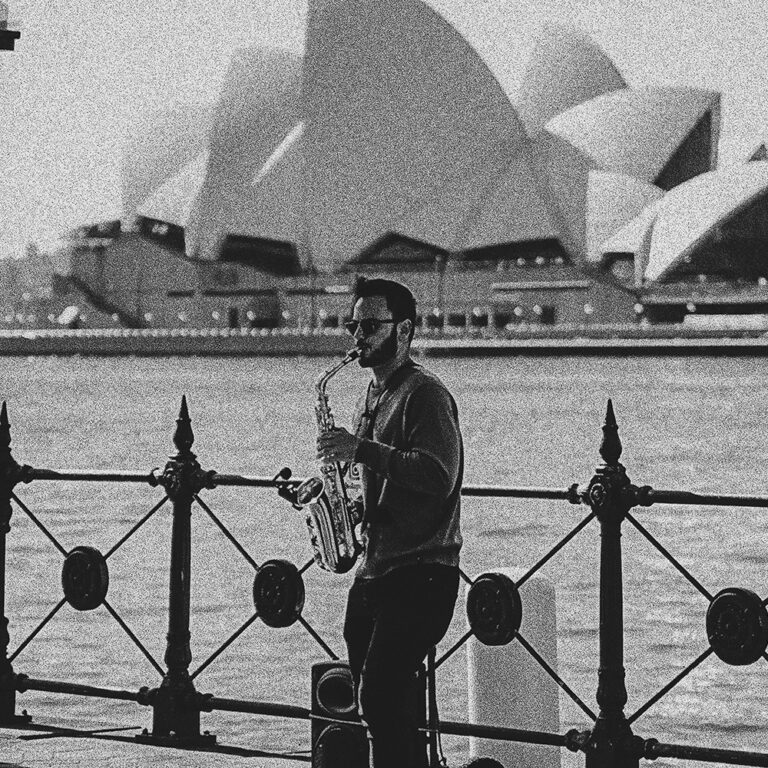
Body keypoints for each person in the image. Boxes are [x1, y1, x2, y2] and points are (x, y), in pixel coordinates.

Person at [316, 277, 463, 768]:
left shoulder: (426, 394)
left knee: (380, 696)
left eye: (370, 326)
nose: (358, 336)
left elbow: (438, 475)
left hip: (422, 572)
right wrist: (339, 503)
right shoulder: (371, 394)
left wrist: (361, 449)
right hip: (376, 570)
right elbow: (383, 480)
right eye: (353, 325)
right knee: (376, 703)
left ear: (404, 330)